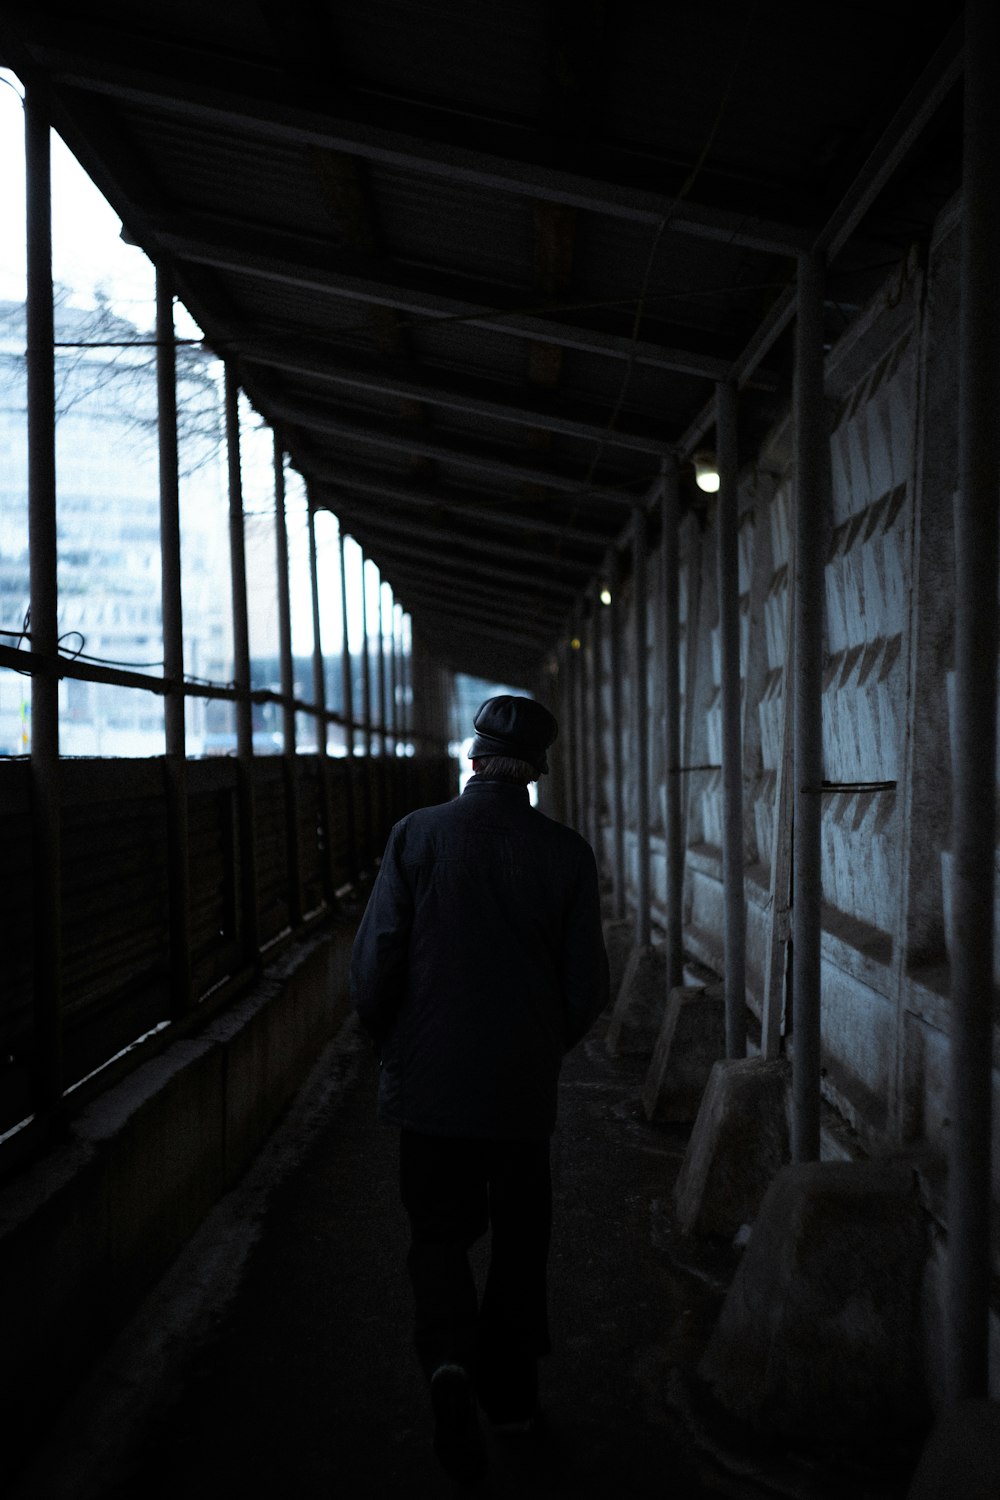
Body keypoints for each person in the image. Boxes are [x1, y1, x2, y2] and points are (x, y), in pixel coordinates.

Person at [350, 694, 610, 1484]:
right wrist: (539, 1046)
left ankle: (449, 1363)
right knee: (520, 1236)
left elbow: (374, 965)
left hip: (429, 1083)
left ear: (471, 758)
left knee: (437, 1232)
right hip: (519, 1091)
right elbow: (585, 986)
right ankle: (512, 1398)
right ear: (535, 770)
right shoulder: (566, 854)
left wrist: (394, 1044)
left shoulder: (416, 837)